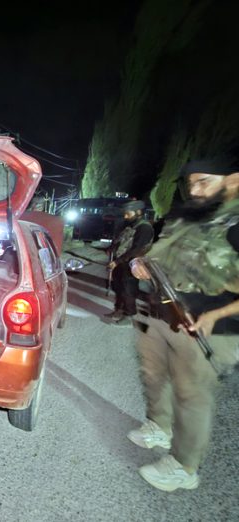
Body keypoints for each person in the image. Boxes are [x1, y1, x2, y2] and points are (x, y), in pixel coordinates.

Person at [128, 158, 239, 492]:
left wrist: (216, 315)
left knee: (190, 395)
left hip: (208, 328)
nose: (194, 189)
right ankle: (158, 426)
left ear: (233, 179)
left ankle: (184, 466)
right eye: (190, 183)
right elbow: (155, 252)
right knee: (152, 374)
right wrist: (138, 262)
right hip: (160, 313)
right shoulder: (184, 215)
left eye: (203, 181)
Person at [104, 200, 154, 326]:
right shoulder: (130, 226)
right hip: (121, 263)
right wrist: (111, 249)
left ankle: (129, 315)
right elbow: (120, 241)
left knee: (128, 290)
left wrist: (117, 261)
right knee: (118, 288)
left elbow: (136, 249)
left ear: (138, 212)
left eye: (128, 214)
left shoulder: (145, 228)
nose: (125, 216)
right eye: (125, 214)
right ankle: (119, 310)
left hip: (132, 265)